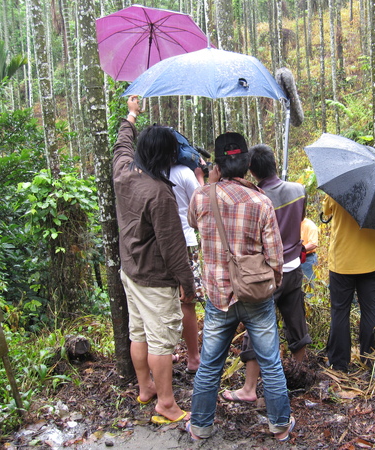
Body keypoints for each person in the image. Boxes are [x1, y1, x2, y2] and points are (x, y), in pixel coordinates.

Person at [186, 132, 295, 441]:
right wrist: (269, 287)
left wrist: (210, 181)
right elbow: (275, 257)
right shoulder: (261, 201)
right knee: (271, 364)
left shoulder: (201, 197)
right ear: (248, 163)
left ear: (216, 166)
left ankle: (201, 427)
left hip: (218, 297)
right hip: (255, 295)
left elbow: (195, 223)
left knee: (209, 365)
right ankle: (279, 426)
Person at [112, 95, 195, 425]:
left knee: (139, 333)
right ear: (166, 157)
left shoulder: (124, 173)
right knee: (161, 340)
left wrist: (131, 116)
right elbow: (174, 249)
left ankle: (145, 388)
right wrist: (187, 286)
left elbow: (121, 146)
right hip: (154, 278)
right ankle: (166, 403)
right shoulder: (160, 193)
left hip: (129, 271)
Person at [222, 143, 311, 404]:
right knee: (297, 322)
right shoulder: (298, 190)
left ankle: (249, 388)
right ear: (273, 163)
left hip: (266, 275)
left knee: (257, 327)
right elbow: (300, 221)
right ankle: (297, 375)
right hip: (294, 269)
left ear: (251, 169)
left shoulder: (255, 199)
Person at [323, 196, 375, 373]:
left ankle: (339, 363)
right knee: (371, 310)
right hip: (371, 261)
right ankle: (371, 361)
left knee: (340, 311)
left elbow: (326, 211)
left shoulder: (337, 188)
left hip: (342, 262)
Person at [169, 162, 205, 374]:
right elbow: (202, 202)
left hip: (160, 242)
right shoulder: (183, 172)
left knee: (165, 297)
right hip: (185, 240)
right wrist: (200, 178)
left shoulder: (152, 171)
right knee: (187, 300)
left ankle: (167, 351)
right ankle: (193, 358)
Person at [300, 217, 318, 291]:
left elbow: (313, 244)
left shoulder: (310, 225)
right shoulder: (293, 223)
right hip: (296, 259)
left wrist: (299, 250)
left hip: (308, 259)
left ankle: (311, 300)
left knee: (311, 284)